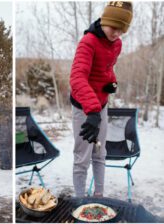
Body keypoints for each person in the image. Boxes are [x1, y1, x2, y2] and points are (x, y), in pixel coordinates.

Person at [69, 1, 133, 197]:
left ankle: (99, 196)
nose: (116, 33)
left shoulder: (117, 44)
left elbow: (107, 68)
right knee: (82, 157)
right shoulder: (88, 42)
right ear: (105, 20)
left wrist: (111, 82)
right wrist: (92, 111)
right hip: (83, 108)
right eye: (114, 27)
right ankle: (79, 200)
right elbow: (77, 78)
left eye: (121, 30)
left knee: (100, 153)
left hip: (101, 107)